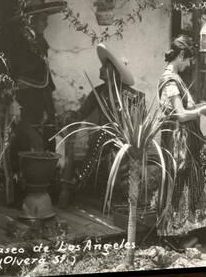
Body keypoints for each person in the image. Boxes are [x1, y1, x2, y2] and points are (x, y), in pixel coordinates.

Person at [157, 35, 206, 248]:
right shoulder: (170, 80)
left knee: (199, 179)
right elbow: (180, 115)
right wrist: (201, 111)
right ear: (180, 56)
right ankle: (174, 234)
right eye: (187, 60)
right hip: (179, 140)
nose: (188, 65)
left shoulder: (176, 79)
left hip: (186, 138)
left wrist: (198, 108)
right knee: (181, 183)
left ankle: (192, 229)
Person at [0, 0, 67, 176]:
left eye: (46, 19)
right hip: (21, 102)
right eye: (42, 19)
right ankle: (17, 186)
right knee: (27, 141)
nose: (46, 23)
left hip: (40, 102)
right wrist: (12, 101)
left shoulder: (40, 42)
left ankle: (42, 185)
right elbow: (6, 72)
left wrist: (51, 109)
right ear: (30, 19)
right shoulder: (14, 40)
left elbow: (44, 78)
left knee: (46, 141)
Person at [60, 44, 144, 201]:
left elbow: (139, 124)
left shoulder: (132, 96)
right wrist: (71, 117)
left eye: (104, 67)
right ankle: (77, 179)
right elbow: (82, 113)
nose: (100, 69)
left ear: (113, 71)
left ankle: (78, 179)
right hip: (103, 140)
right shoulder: (98, 92)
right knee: (102, 134)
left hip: (124, 141)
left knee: (103, 134)